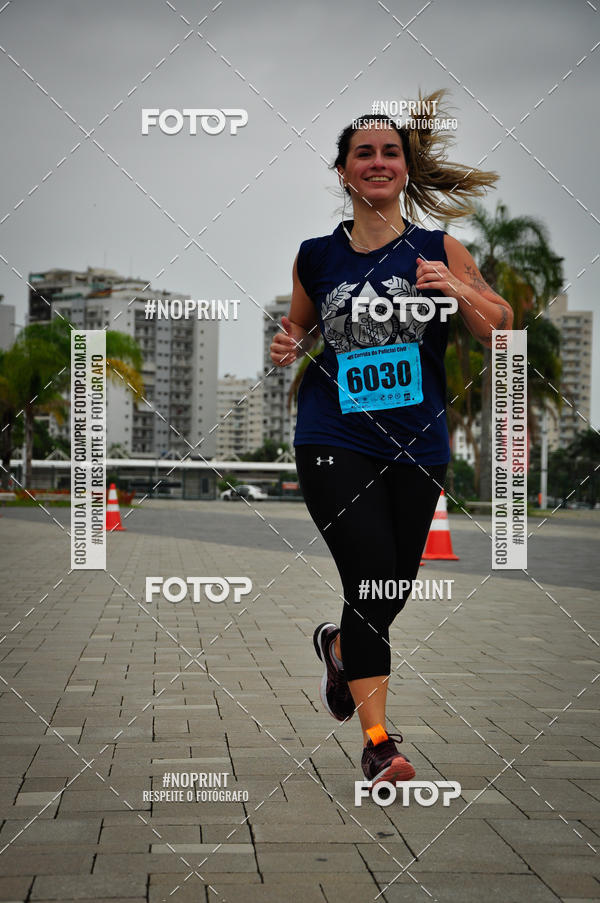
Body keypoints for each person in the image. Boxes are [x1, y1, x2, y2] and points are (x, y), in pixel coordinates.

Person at [270, 91, 513, 791]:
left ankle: (341, 646)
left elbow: (498, 326)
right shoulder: (316, 255)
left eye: (390, 152)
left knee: (390, 587)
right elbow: (302, 326)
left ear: (405, 170)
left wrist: (456, 291)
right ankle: (379, 741)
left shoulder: (439, 248)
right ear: (343, 172)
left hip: (418, 443)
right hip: (332, 434)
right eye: (363, 153)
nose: (377, 162)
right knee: (368, 570)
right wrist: (289, 342)